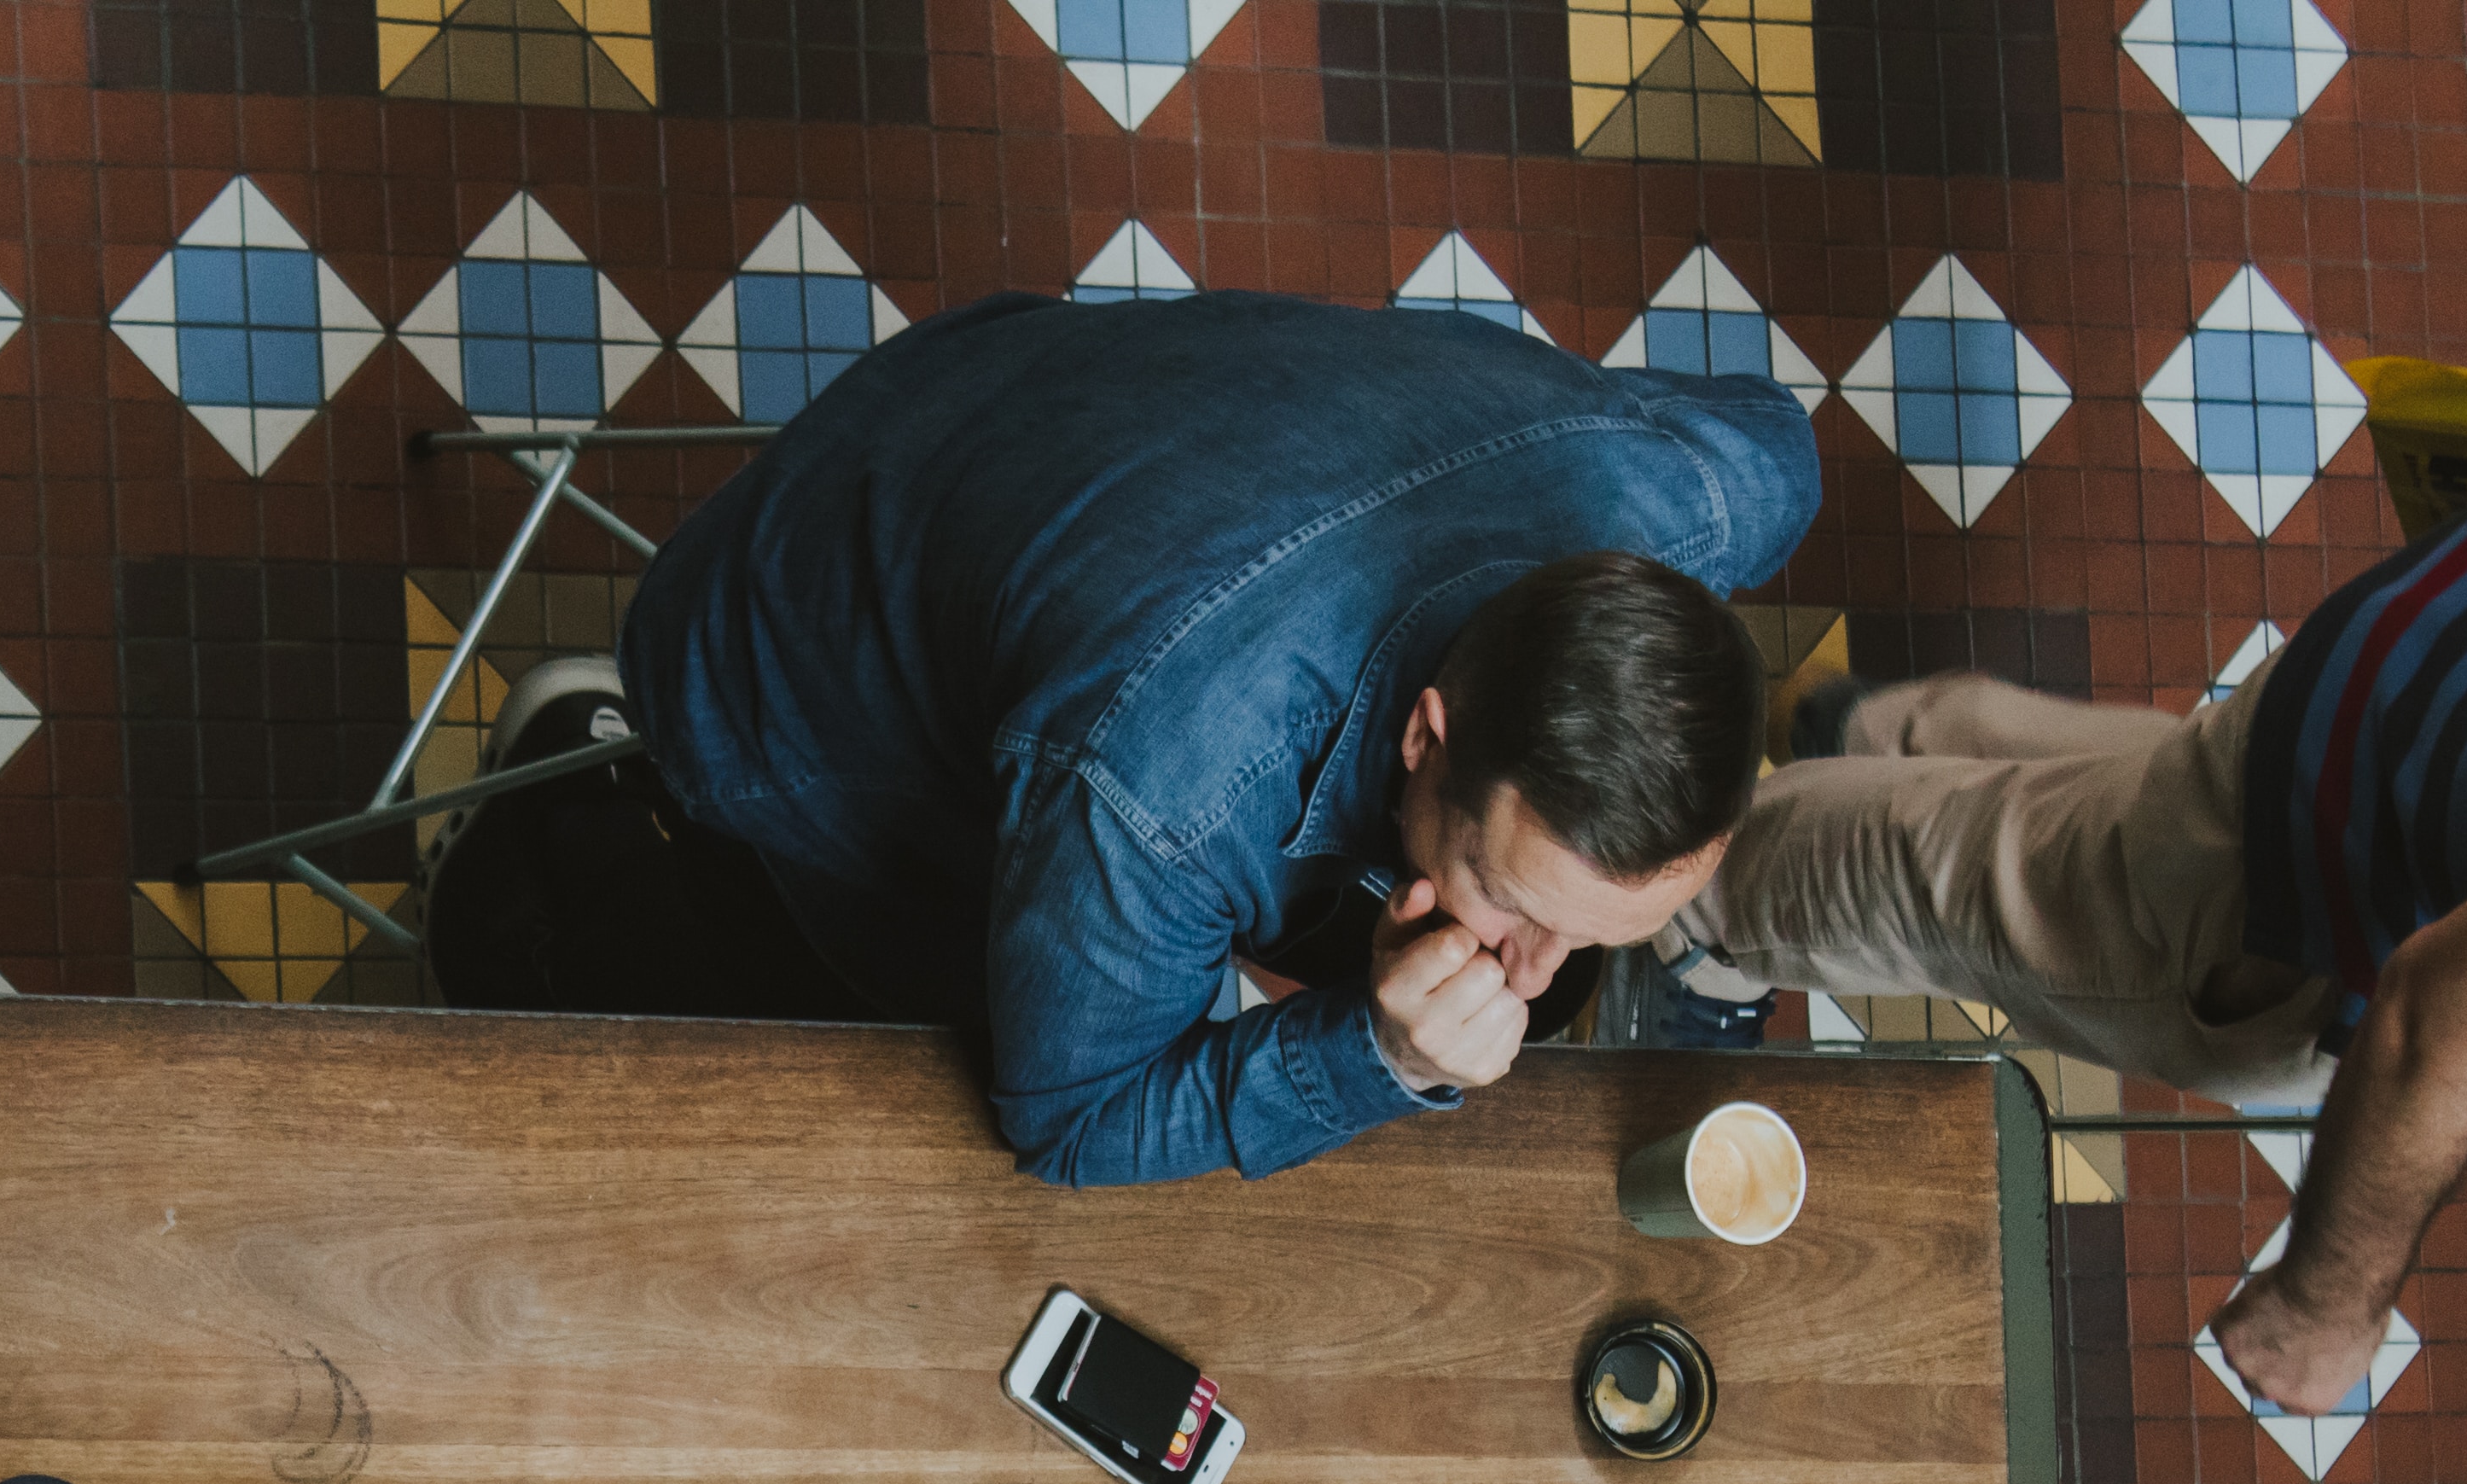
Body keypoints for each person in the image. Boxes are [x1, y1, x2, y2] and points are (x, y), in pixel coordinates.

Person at [435, 291, 1817, 1184]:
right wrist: (1381, 1063)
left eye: (1596, 929)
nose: (1530, 970)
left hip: (1033, 402)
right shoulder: (1167, 780)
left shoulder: (1692, 492)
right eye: (1518, 908)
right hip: (780, 672)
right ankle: (540, 828)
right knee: (910, 1047)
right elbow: (1066, 1120)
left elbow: (1784, 442)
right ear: (1430, 736)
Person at [1672, 425, 2467, 1417]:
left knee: (2165, 804)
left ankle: (1887, 736)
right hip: (2363, 855)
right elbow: (2441, 1023)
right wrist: (2323, 1308)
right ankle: (1695, 904)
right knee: (2003, 889)